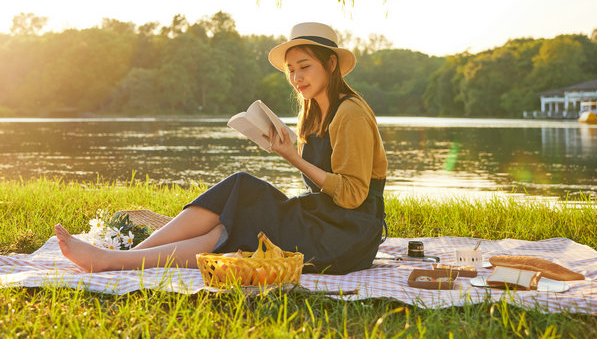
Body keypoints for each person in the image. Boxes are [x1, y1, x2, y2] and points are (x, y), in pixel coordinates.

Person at [54, 22, 388, 274]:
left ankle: (113, 261)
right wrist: (287, 149)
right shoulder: (315, 111)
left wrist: (290, 156)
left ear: (331, 65)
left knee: (242, 217)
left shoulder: (351, 113)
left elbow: (352, 196)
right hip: (325, 219)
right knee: (240, 190)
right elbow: (325, 186)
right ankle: (123, 257)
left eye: (305, 67)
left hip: (347, 236)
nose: (297, 77)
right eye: (291, 70)